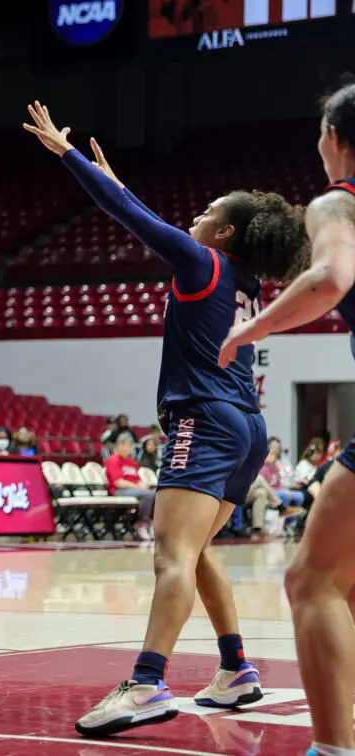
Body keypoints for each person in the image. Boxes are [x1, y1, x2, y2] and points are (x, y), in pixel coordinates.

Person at [23, 101, 307, 737]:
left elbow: (130, 217)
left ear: (225, 234)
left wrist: (65, 154)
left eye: (208, 213)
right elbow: (142, 210)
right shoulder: (245, 282)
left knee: (171, 554)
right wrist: (117, 181)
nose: (197, 216)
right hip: (248, 431)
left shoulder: (199, 262)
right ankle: (236, 670)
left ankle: (147, 683)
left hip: (203, 419)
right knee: (199, 550)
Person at [218, 80, 355, 756]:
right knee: (347, 578)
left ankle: (333, 748)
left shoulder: (338, 201)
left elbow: (329, 279)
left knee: (309, 580)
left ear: (334, 140)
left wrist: (252, 331)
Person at [104, 432, 155, 541]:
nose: (130, 449)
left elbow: (136, 479)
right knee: (148, 495)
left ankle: (152, 523)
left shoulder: (130, 462)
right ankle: (141, 525)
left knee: (157, 492)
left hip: (132, 489)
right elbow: (118, 482)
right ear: (120, 445)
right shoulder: (113, 460)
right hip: (119, 491)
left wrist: (142, 484)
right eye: (128, 446)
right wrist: (137, 487)